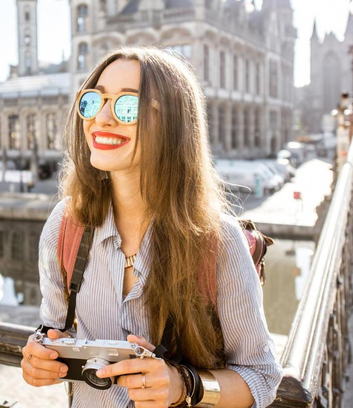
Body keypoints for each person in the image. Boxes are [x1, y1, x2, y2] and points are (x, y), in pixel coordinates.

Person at [21, 48, 282, 407]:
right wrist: (41, 356)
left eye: (128, 106)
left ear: (173, 124)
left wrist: (183, 386)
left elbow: (263, 378)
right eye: (93, 101)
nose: (103, 119)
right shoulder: (65, 226)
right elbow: (54, 329)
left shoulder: (218, 241)